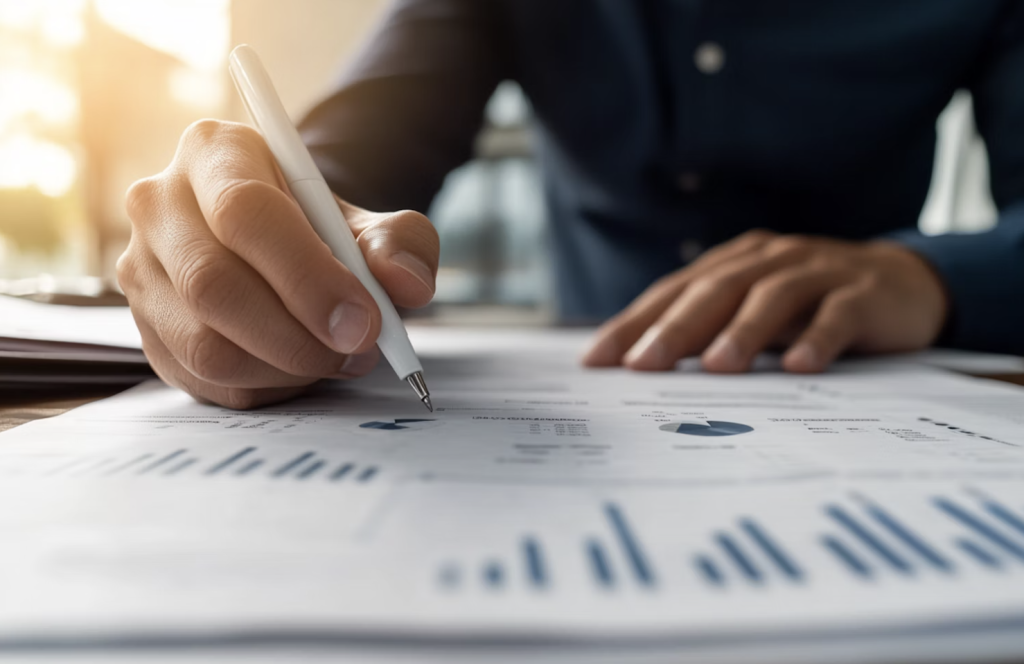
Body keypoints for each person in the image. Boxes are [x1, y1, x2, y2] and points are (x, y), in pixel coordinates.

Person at [118, 0, 1024, 409]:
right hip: (590, 375)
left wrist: (931, 275)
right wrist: (252, 224)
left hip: (859, 379)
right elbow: (345, 161)